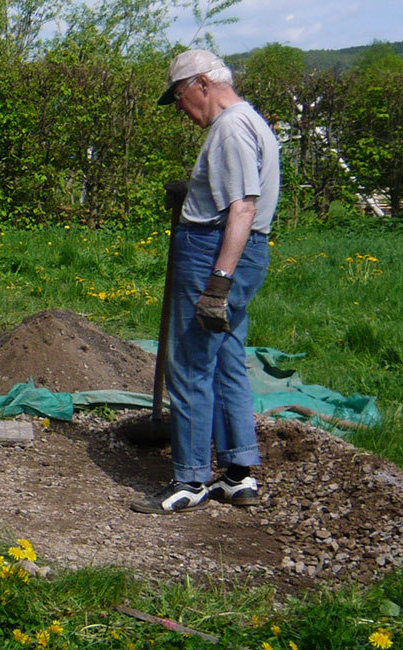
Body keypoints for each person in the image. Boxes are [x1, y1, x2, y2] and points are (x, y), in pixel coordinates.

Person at [131, 50, 280, 515]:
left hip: (215, 252)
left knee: (191, 363)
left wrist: (217, 282)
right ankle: (238, 474)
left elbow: (242, 208)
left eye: (179, 96)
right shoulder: (251, 122)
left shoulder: (231, 129)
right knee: (229, 359)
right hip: (244, 250)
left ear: (201, 84)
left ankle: (191, 478)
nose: (179, 107)